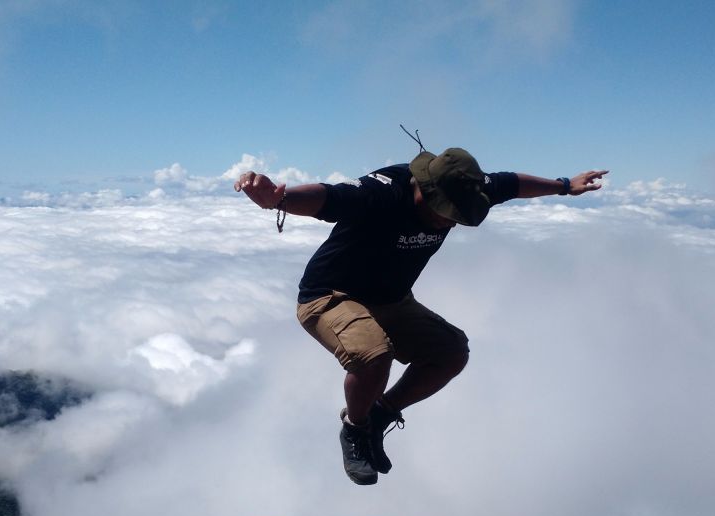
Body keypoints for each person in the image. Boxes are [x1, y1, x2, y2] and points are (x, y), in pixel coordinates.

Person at [235, 141, 607, 485]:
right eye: (445, 212)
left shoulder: (466, 188)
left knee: (451, 352)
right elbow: (328, 197)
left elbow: (511, 183)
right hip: (329, 296)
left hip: (392, 300)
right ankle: (356, 428)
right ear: (425, 190)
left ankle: (379, 414)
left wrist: (564, 186)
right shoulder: (382, 192)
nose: (449, 221)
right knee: (373, 356)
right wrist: (278, 199)